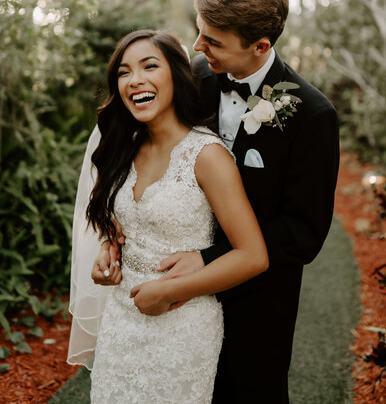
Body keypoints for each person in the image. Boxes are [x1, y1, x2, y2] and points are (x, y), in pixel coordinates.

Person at [90, 0, 340, 403]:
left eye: (213, 41)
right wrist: (119, 237)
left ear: (260, 46)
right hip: (162, 298)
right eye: (199, 34)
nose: (198, 47)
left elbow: (303, 234)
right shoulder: (196, 75)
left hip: (256, 303)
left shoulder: (311, 116)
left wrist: (207, 260)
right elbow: (151, 161)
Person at [67, 29, 269, 404]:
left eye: (149, 66)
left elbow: (254, 255)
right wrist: (107, 251)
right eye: (124, 72)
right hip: (120, 325)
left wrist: (171, 290)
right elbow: (122, 224)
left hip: (183, 326)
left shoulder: (207, 155)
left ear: (176, 75)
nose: (135, 80)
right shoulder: (122, 150)